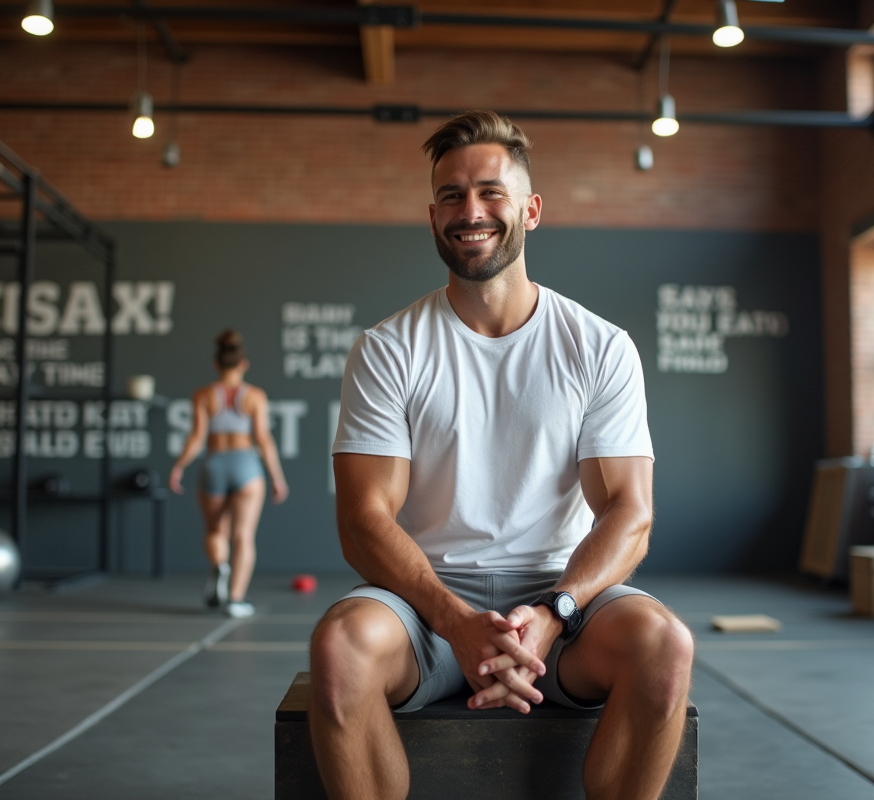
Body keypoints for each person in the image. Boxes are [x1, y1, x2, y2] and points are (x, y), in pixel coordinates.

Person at [310, 110, 694, 800]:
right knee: (340, 648)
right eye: (452, 196)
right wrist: (454, 620)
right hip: (424, 606)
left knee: (665, 644)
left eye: (490, 191)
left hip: (563, 599)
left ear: (531, 209)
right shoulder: (388, 348)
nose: (471, 210)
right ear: (433, 217)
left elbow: (629, 513)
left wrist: (553, 615)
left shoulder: (599, 346)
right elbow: (364, 519)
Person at [170, 330, 288, 618]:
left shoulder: (204, 395)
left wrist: (179, 466)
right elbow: (263, 439)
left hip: (214, 465)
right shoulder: (255, 396)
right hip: (246, 465)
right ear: (243, 364)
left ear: (216, 364)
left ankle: (220, 565)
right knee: (243, 536)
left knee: (215, 531)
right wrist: (277, 477)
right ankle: (235, 599)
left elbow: (197, 437)